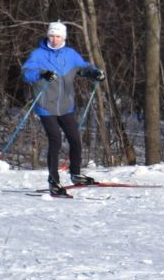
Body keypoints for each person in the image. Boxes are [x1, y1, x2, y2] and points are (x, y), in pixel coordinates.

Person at [21, 20, 104, 198]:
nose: (54, 39)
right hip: (46, 106)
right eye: (51, 35)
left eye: (58, 36)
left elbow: (83, 68)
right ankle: (54, 181)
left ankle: (75, 174)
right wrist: (42, 73)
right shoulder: (38, 54)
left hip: (66, 106)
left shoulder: (70, 54)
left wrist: (95, 72)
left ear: (63, 37)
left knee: (75, 139)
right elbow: (26, 73)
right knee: (55, 140)